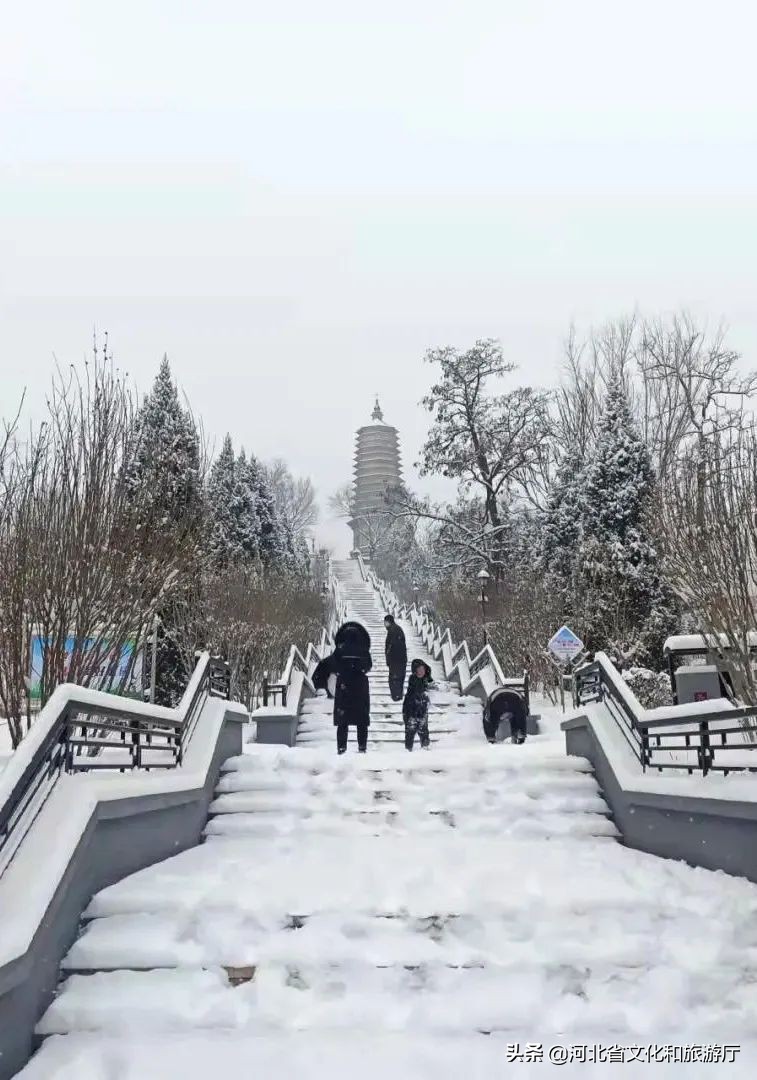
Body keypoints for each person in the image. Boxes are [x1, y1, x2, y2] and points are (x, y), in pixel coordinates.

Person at [332, 621, 372, 754]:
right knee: (362, 720)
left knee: (343, 720)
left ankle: (341, 748)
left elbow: (334, 664)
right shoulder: (363, 649)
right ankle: (362, 747)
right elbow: (368, 665)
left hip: (344, 685)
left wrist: (343, 671)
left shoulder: (340, 649)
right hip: (360, 685)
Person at [402, 658, 433, 751]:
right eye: (418, 670)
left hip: (422, 709)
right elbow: (415, 691)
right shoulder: (413, 679)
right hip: (411, 709)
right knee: (410, 730)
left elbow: (432, 688)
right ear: (415, 671)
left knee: (423, 729)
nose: (421, 672)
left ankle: (425, 747)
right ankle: (408, 749)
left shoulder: (427, 679)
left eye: (422, 670)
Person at [384, 614, 407, 702]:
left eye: (385, 622)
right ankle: (398, 696)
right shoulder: (396, 629)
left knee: (394, 678)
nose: (384, 624)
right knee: (399, 677)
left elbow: (391, 646)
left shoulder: (393, 630)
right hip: (400, 659)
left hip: (396, 659)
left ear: (389, 622)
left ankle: (396, 697)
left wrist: (389, 658)